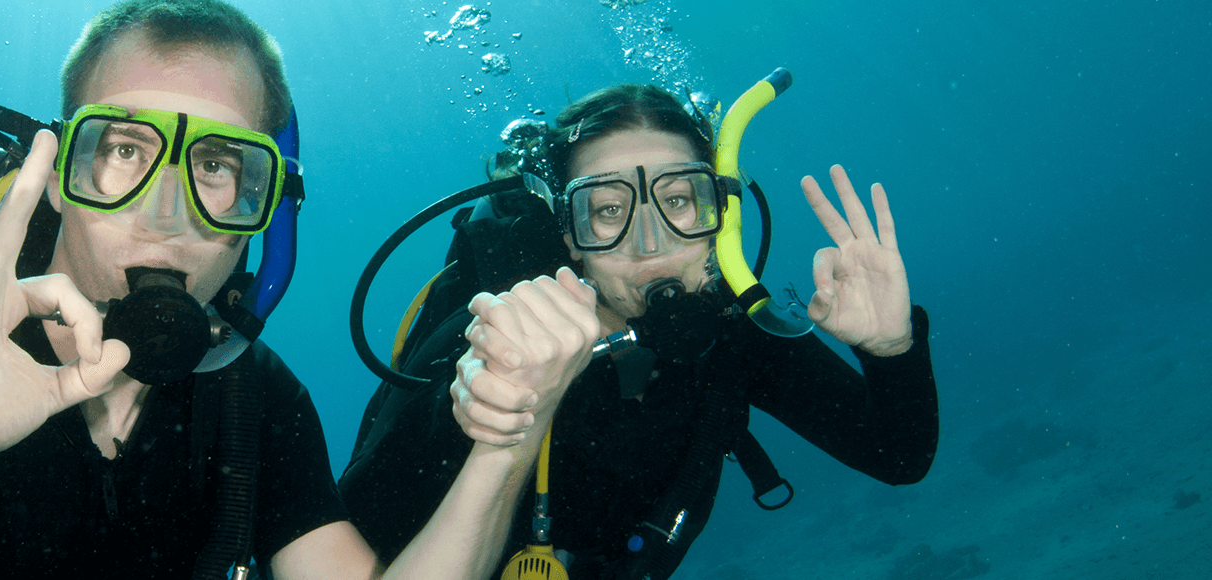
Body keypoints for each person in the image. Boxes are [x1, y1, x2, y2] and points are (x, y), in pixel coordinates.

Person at [0, 2, 559, 578]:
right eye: (124, 151)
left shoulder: (256, 400)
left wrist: (509, 444)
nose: (168, 212)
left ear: (265, 210)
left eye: (220, 166)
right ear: (58, 171)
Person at [339, 83, 939, 580]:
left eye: (678, 200)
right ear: (569, 235)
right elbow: (354, 533)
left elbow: (899, 457)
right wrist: (467, 411)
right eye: (607, 210)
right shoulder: (491, 337)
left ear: (719, 213)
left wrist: (892, 351)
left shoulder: (733, 332)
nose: (649, 243)